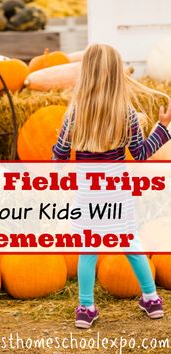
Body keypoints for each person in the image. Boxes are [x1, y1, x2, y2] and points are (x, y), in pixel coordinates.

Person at [52, 44, 171, 329]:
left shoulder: (75, 114)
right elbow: (140, 153)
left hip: (87, 196)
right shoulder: (127, 113)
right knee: (132, 245)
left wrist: (57, 154)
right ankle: (152, 300)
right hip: (119, 194)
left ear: (86, 74)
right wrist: (163, 128)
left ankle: (85, 308)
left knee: (88, 251)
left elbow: (59, 156)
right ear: (118, 75)